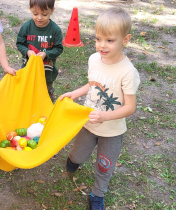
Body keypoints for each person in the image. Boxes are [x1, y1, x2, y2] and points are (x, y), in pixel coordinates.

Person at [60, 7, 140, 210]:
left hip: (112, 132)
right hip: (88, 123)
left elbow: (130, 107)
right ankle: (73, 162)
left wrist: (105, 116)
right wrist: (76, 93)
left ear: (126, 39)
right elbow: (92, 84)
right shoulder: (94, 59)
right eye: (98, 39)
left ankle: (97, 194)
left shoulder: (128, 72)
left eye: (109, 40)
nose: (102, 45)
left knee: (105, 166)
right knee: (77, 155)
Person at [16, 0, 63, 102]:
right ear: (30, 9)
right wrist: (27, 51)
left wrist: (46, 54)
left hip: (47, 73)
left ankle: (47, 115)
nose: (40, 18)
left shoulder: (55, 30)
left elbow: (59, 48)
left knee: (46, 95)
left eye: (44, 14)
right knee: (28, 95)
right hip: (28, 70)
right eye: (35, 14)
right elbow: (20, 43)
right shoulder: (26, 27)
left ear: (52, 11)